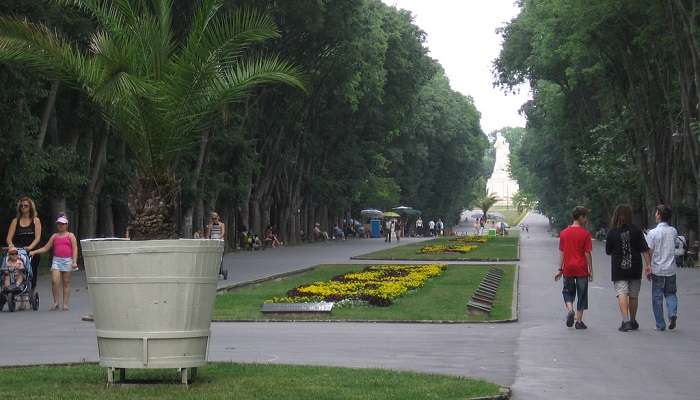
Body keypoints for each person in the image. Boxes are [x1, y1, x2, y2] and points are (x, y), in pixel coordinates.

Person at [605, 204, 650, 332]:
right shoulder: (636, 230)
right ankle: (633, 320)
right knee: (634, 295)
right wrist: (648, 265)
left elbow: (608, 251)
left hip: (619, 268)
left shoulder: (612, 232)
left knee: (622, 293)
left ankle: (625, 321)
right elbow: (645, 250)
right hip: (635, 266)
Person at [555, 206, 593, 329]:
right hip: (581, 268)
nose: (586, 219)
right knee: (582, 294)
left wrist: (560, 269)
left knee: (567, 291)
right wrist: (590, 270)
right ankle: (579, 321)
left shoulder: (564, 233)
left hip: (568, 268)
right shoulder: (586, 234)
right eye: (585, 216)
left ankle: (570, 309)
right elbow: (587, 253)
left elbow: (562, 252)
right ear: (580, 217)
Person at [30, 215, 78, 311]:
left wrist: (74, 261)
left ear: (66, 225)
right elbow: (46, 248)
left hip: (67, 260)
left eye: (63, 224)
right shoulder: (54, 236)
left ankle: (65, 304)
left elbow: (75, 249)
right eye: (59, 224)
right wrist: (34, 252)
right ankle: (56, 302)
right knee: (54, 281)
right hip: (56, 260)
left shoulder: (70, 235)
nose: (61, 225)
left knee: (66, 282)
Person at [645, 205, 679, 331]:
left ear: (659, 215)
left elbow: (649, 251)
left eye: (656, 213)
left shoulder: (653, 233)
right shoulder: (673, 231)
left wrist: (648, 267)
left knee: (657, 297)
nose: (655, 215)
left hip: (658, 269)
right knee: (671, 293)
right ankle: (672, 314)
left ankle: (660, 324)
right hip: (671, 269)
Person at [6, 197, 42, 296]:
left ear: (30, 207)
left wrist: (30, 247)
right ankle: (18, 291)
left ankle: (31, 292)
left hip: (31, 250)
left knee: (32, 272)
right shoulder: (15, 221)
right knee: (18, 269)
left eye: (26, 205)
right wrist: (11, 245)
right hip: (18, 250)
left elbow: (38, 237)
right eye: (21, 206)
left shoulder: (36, 220)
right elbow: (9, 238)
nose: (23, 208)